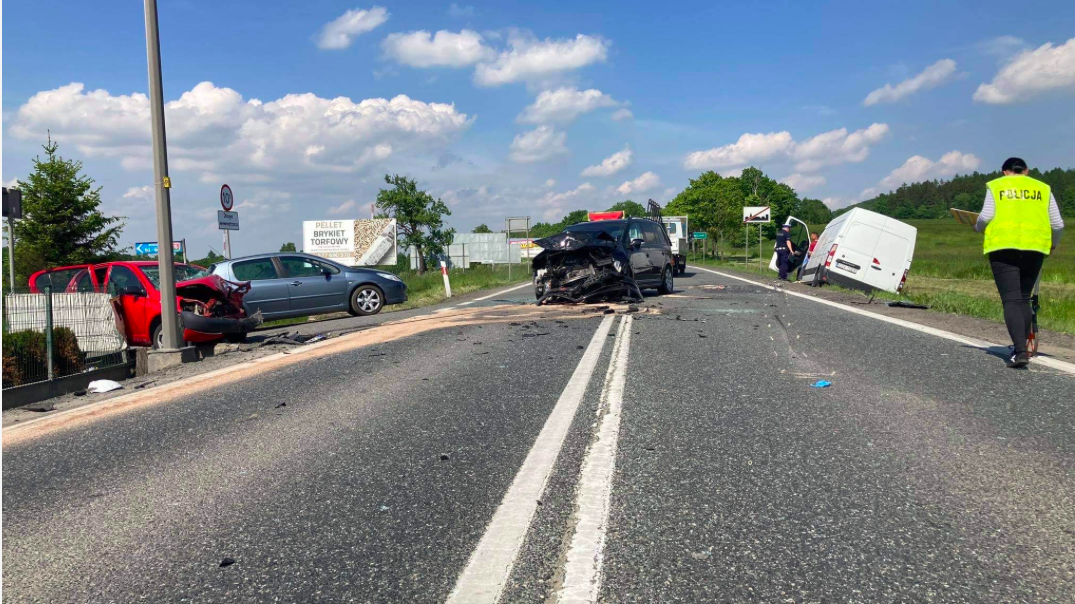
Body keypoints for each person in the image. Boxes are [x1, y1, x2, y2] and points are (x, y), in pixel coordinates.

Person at [975, 157, 1065, 368]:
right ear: (1027, 171)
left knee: (1011, 299)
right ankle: (1021, 347)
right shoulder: (1042, 188)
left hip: (1003, 247)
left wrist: (978, 228)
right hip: (1035, 248)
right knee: (1024, 298)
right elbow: (1058, 224)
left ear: (1005, 172)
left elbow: (986, 216)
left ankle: (1020, 351)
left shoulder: (997, 185)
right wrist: (1053, 245)